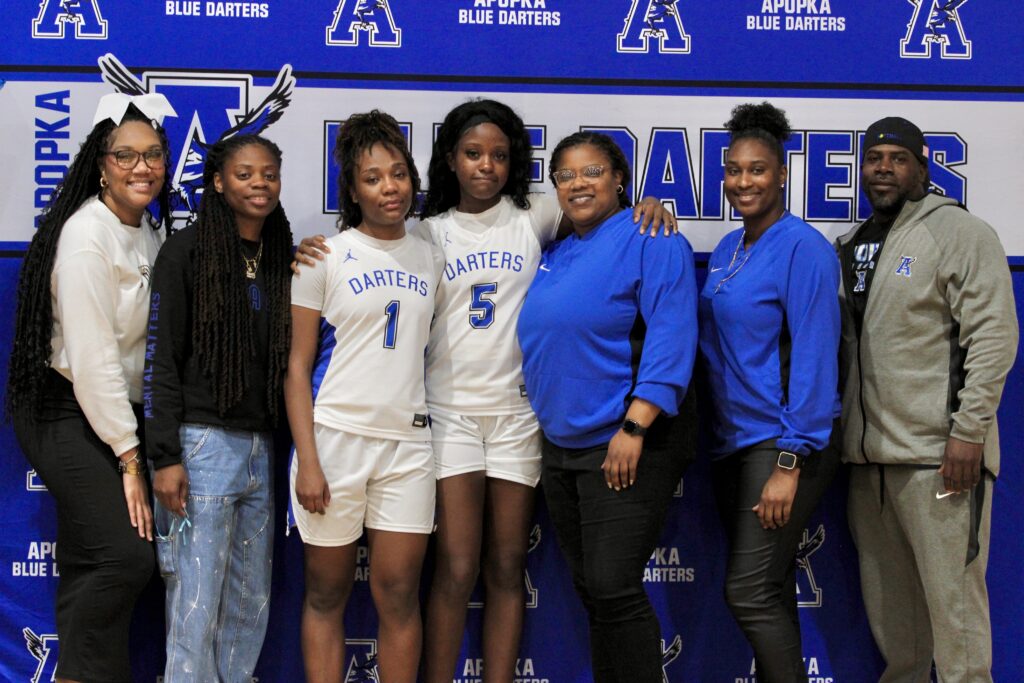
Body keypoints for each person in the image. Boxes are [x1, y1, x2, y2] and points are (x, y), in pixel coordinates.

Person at [295, 98, 674, 683]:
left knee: (506, 566)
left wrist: (645, 204)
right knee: (456, 566)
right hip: (447, 414)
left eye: (499, 155)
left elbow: (593, 202)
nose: (486, 166)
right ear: (451, 159)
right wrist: (314, 249)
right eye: (473, 154)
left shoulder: (533, 214)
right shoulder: (425, 232)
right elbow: (368, 253)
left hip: (517, 414)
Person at [838, 117, 1018, 683]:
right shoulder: (851, 243)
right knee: (899, 639)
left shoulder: (960, 232)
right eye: (874, 159)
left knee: (956, 625)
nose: (884, 169)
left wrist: (968, 433)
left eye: (898, 158)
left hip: (939, 461)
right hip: (871, 467)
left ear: (922, 167)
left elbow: (993, 336)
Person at [6, 92, 176, 683]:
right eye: (125, 155)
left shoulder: (147, 232)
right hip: (64, 407)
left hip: (111, 412)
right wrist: (129, 457)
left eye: (152, 154)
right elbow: (94, 358)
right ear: (101, 164)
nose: (141, 167)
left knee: (91, 560)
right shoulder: (87, 236)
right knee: (124, 556)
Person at [517, 131, 697, 683]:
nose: (579, 183)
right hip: (562, 447)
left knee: (613, 587)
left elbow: (671, 337)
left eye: (592, 171)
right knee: (594, 591)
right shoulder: (558, 251)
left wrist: (635, 427)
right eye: (566, 175)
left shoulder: (651, 237)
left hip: (623, 439)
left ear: (620, 179)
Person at [285, 110, 445, 683]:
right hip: (335, 442)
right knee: (326, 593)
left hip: (407, 446)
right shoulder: (323, 258)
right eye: (373, 178)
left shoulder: (431, 254)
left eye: (398, 174)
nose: (389, 187)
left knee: (399, 595)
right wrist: (309, 460)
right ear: (352, 191)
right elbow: (296, 368)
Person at [698, 102, 841, 683]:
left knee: (750, 591)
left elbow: (815, 355)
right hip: (732, 444)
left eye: (757, 170)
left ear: (782, 174)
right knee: (771, 590)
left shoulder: (804, 247)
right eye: (733, 170)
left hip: (780, 444)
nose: (743, 182)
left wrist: (790, 458)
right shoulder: (729, 248)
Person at [143, 134, 293, 681]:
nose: (260, 184)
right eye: (245, 173)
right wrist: (165, 456)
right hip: (201, 445)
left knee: (249, 605)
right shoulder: (185, 252)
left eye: (269, 174)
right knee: (196, 603)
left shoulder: (279, 256)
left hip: (260, 446)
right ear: (218, 182)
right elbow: (159, 359)